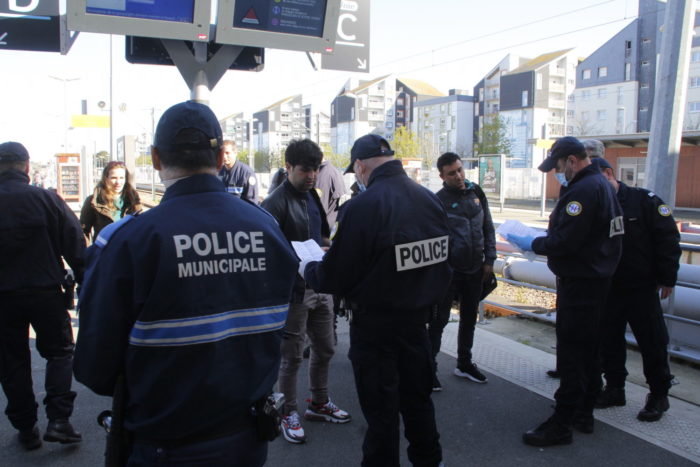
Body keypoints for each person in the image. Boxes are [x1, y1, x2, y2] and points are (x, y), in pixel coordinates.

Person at [74, 101, 298, 466]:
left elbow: (94, 368)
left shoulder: (128, 241)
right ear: (219, 157)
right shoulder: (266, 228)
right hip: (248, 440)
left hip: (164, 445)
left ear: (157, 158)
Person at [303, 134, 452, 467]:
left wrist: (308, 268)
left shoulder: (363, 207)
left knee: (382, 415)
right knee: (418, 404)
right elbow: (444, 262)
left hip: (376, 330)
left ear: (360, 166)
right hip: (418, 326)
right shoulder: (429, 200)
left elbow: (335, 276)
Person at [508, 136, 624, 447]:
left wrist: (532, 243)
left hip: (581, 284)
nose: (558, 173)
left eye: (558, 167)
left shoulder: (583, 191)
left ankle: (561, 424)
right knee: (588, 352)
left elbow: (566, 241)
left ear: (571, 161)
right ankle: (583, 412)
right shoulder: (601, 185)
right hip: (597, 282)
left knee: (573, 354)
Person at [261, 139, 351, 445]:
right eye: (305, 169)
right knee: (291, 358)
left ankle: (318, 402)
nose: (312, 175)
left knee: (325, 347)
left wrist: (326, 247)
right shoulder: (274, 203)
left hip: (320, 284)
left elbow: (322, 235)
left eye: (315, 168)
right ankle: (288, 411)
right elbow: (266, 250)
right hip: (293, 292)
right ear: (289, 168)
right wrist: (293, 255)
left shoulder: (313, 195)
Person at [0, 141, 85, 450]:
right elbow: (74, 242)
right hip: (45, 292)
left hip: (3, 299)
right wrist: (86, 279)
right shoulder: (46, 199)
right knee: (60, 352)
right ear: (26, 166)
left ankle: (25, 427)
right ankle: (59, 420)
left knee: (12, 361)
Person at [591, 157, 680, 422]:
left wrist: (668, 277)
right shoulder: (597, 204)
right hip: (609, 286)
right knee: (610, 341)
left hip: (641, 287)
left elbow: (668, 238)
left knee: (652, 341)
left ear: (609, 174)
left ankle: (658, 395)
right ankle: (615, 388)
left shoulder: (645, 201)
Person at [427, 152, 496, 390]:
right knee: (439, 321)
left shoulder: (476, 192)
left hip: (475, 268)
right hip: (449, 271)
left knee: (469, 318)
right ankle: (429, 369)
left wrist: (491, 258)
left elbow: (488, 226)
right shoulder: (438, 200)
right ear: (442, 176)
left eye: (459, 170)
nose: (458, 176)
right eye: (451, 173)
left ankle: (464, 363)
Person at [80, 160, 141, 242]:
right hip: (104, 252)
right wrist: (89, 252)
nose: (118, 182)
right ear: (106, 178)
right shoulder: (93, 201)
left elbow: (141, 227)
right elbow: (83, 231)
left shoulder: (134, 200)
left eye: (121, 178)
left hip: (129, 252)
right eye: (113, 178)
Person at [218, 139, 258, 203]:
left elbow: (252, 201)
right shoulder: (218, 172)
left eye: (227, 153)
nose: (224, 156)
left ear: (235, 153)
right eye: (222, 153)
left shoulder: (247, 173)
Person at [315, 160, 347, 229]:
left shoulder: (323, 175)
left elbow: (319, 208)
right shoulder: (333, 170)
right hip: (332, 222)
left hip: (324, 227)